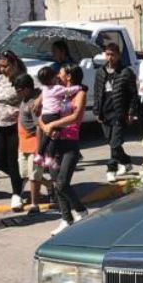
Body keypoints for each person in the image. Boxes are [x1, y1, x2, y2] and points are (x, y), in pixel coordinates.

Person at [41, 63, 89, 231]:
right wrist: (46, 127)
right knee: (55, 182)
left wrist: (53, 124)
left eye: (60, 72)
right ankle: (66, 219)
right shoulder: (55, 92)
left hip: (70, 145)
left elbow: (76, 117)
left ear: (68, 76)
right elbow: (41, 113)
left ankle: (81, 210)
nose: (57, 75)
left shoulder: (80, 94)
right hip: (53, 145)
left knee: (62, 182)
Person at [0, 51, 26, 210]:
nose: (2, 69)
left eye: (5, 66)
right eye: (0, 66)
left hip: (14, 126)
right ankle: (23, 178)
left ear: (14, 64)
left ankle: (17, 194)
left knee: (12, 161)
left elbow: (32, 98)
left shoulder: (21, 79)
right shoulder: (0, 79)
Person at [92, 42, 139, 183]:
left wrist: (131, 112)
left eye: (113, 54)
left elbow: (133, 94)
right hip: (104, 112)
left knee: (114, 142)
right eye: (107, 54)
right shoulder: (100, 72)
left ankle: (111, 169)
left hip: (119, 112)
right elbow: (97, 93)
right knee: (113, 143)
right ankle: (127, 162)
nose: (110, 57)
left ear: (118, 55)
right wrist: (96, 111)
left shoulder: (126, 72)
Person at [13, 74, 44, 215]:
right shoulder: (25, 100)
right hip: (23, 144)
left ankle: (34, 204)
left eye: (18, 90)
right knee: (24, 174)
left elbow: (39, 126)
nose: (16, 93)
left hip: (33, 144)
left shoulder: (33, 103)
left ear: (26, 89)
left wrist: (38, 149)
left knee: (33, 176)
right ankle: (51, 186)